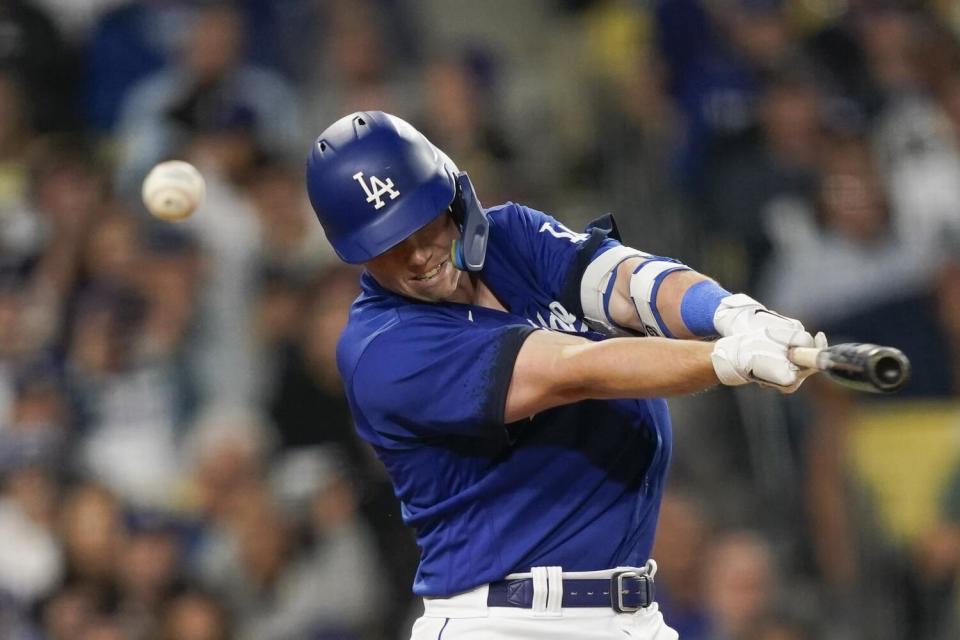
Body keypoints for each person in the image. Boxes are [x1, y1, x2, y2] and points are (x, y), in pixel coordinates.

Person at [304, 111, 826, 640]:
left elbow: (629, 281)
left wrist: (734, 314)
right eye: (388, 244)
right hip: (506, 622)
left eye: (422, 224)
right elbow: (575, 369)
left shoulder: (510, 236)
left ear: (452, 196)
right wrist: (727, 359)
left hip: (625, 613)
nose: (418, 254)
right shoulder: (382, 350)